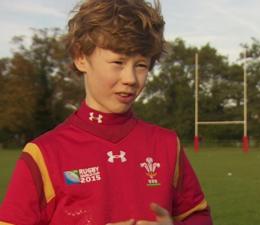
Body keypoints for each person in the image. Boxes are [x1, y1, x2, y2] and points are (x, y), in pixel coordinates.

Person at [0, 1, 213, 225]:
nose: (130, 78)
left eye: (141, 65)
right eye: (118, 62)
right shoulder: (44, 155)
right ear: (81, 58)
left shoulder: (167, 144)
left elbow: (197, 216)